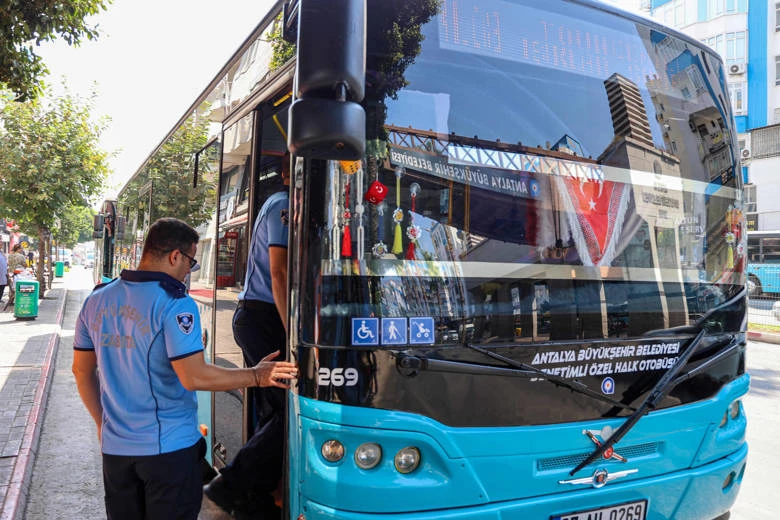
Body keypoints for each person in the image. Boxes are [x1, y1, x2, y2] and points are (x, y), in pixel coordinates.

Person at [72, 217, 297, 520]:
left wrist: (103, 425)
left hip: (116, 453)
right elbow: (193, 376)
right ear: (175, 256)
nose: (189, 272)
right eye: (191, 262)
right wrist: (257, 375)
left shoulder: (97, 299)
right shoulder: (175, 303)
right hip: (168, 453)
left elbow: (81, 372)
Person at [204, 153, 290, 518]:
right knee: (288, 408)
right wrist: (294, 334)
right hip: (263, 317)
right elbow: (279, 274)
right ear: (292, 171)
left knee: (274, 407)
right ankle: (232, 486)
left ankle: (256, 496)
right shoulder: (284, 204)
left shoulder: (287, 204)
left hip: (265, 315)